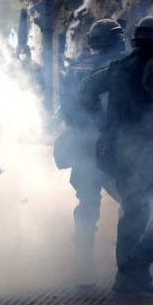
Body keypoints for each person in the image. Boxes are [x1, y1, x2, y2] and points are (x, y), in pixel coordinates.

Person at [80, 16, 153, 295]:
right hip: (151, 151)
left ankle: (125, 278)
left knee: (135, 211)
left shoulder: (118, 67)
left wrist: (102, 122)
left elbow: (84, 94)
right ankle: (137, 265)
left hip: (118, 150)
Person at [54, 19, 125, 280]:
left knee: (87, 205)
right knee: (130, 201)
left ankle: (84, 264)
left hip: (83, 145)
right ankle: (128, 264)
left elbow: (68, 109)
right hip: (110, 144)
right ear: (118, 41)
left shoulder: (76, 67)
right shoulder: (119, 68)